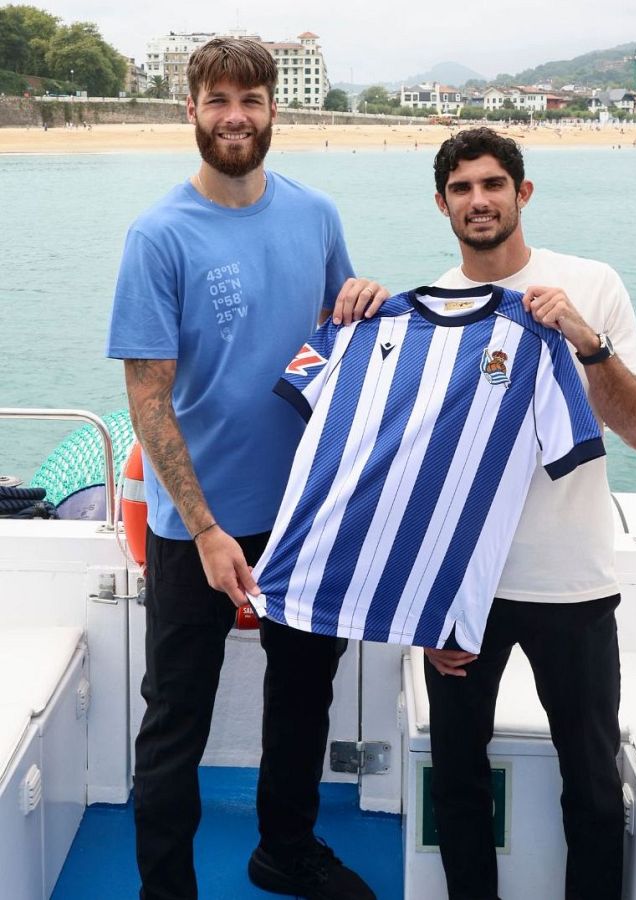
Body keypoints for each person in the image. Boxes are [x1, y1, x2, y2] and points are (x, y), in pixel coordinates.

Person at [345, 126, 636, 899]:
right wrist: (424, 610)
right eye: (462, 189)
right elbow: (407, 472)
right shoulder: (425, 312)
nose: (478, 200)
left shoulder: (591, 284)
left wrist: (588, 344)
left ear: (522, 194)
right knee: (456, 779)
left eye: (492, 185)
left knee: (591, 783)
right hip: (464, 592)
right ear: (441, 204)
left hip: (574, 583)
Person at [107, 37, 384, 900]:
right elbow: (150, 399)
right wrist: (206, 527)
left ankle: (285, 849)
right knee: (175, 722)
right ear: (190, 110)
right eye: (218, 100)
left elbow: (336, 343)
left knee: (303, 699)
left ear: (274, 110)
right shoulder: (157, 236)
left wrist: (364, 300)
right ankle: (167, 888)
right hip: (194, 527)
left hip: (304, 512)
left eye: (251, 99)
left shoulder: (318, 215)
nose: (235, 116)